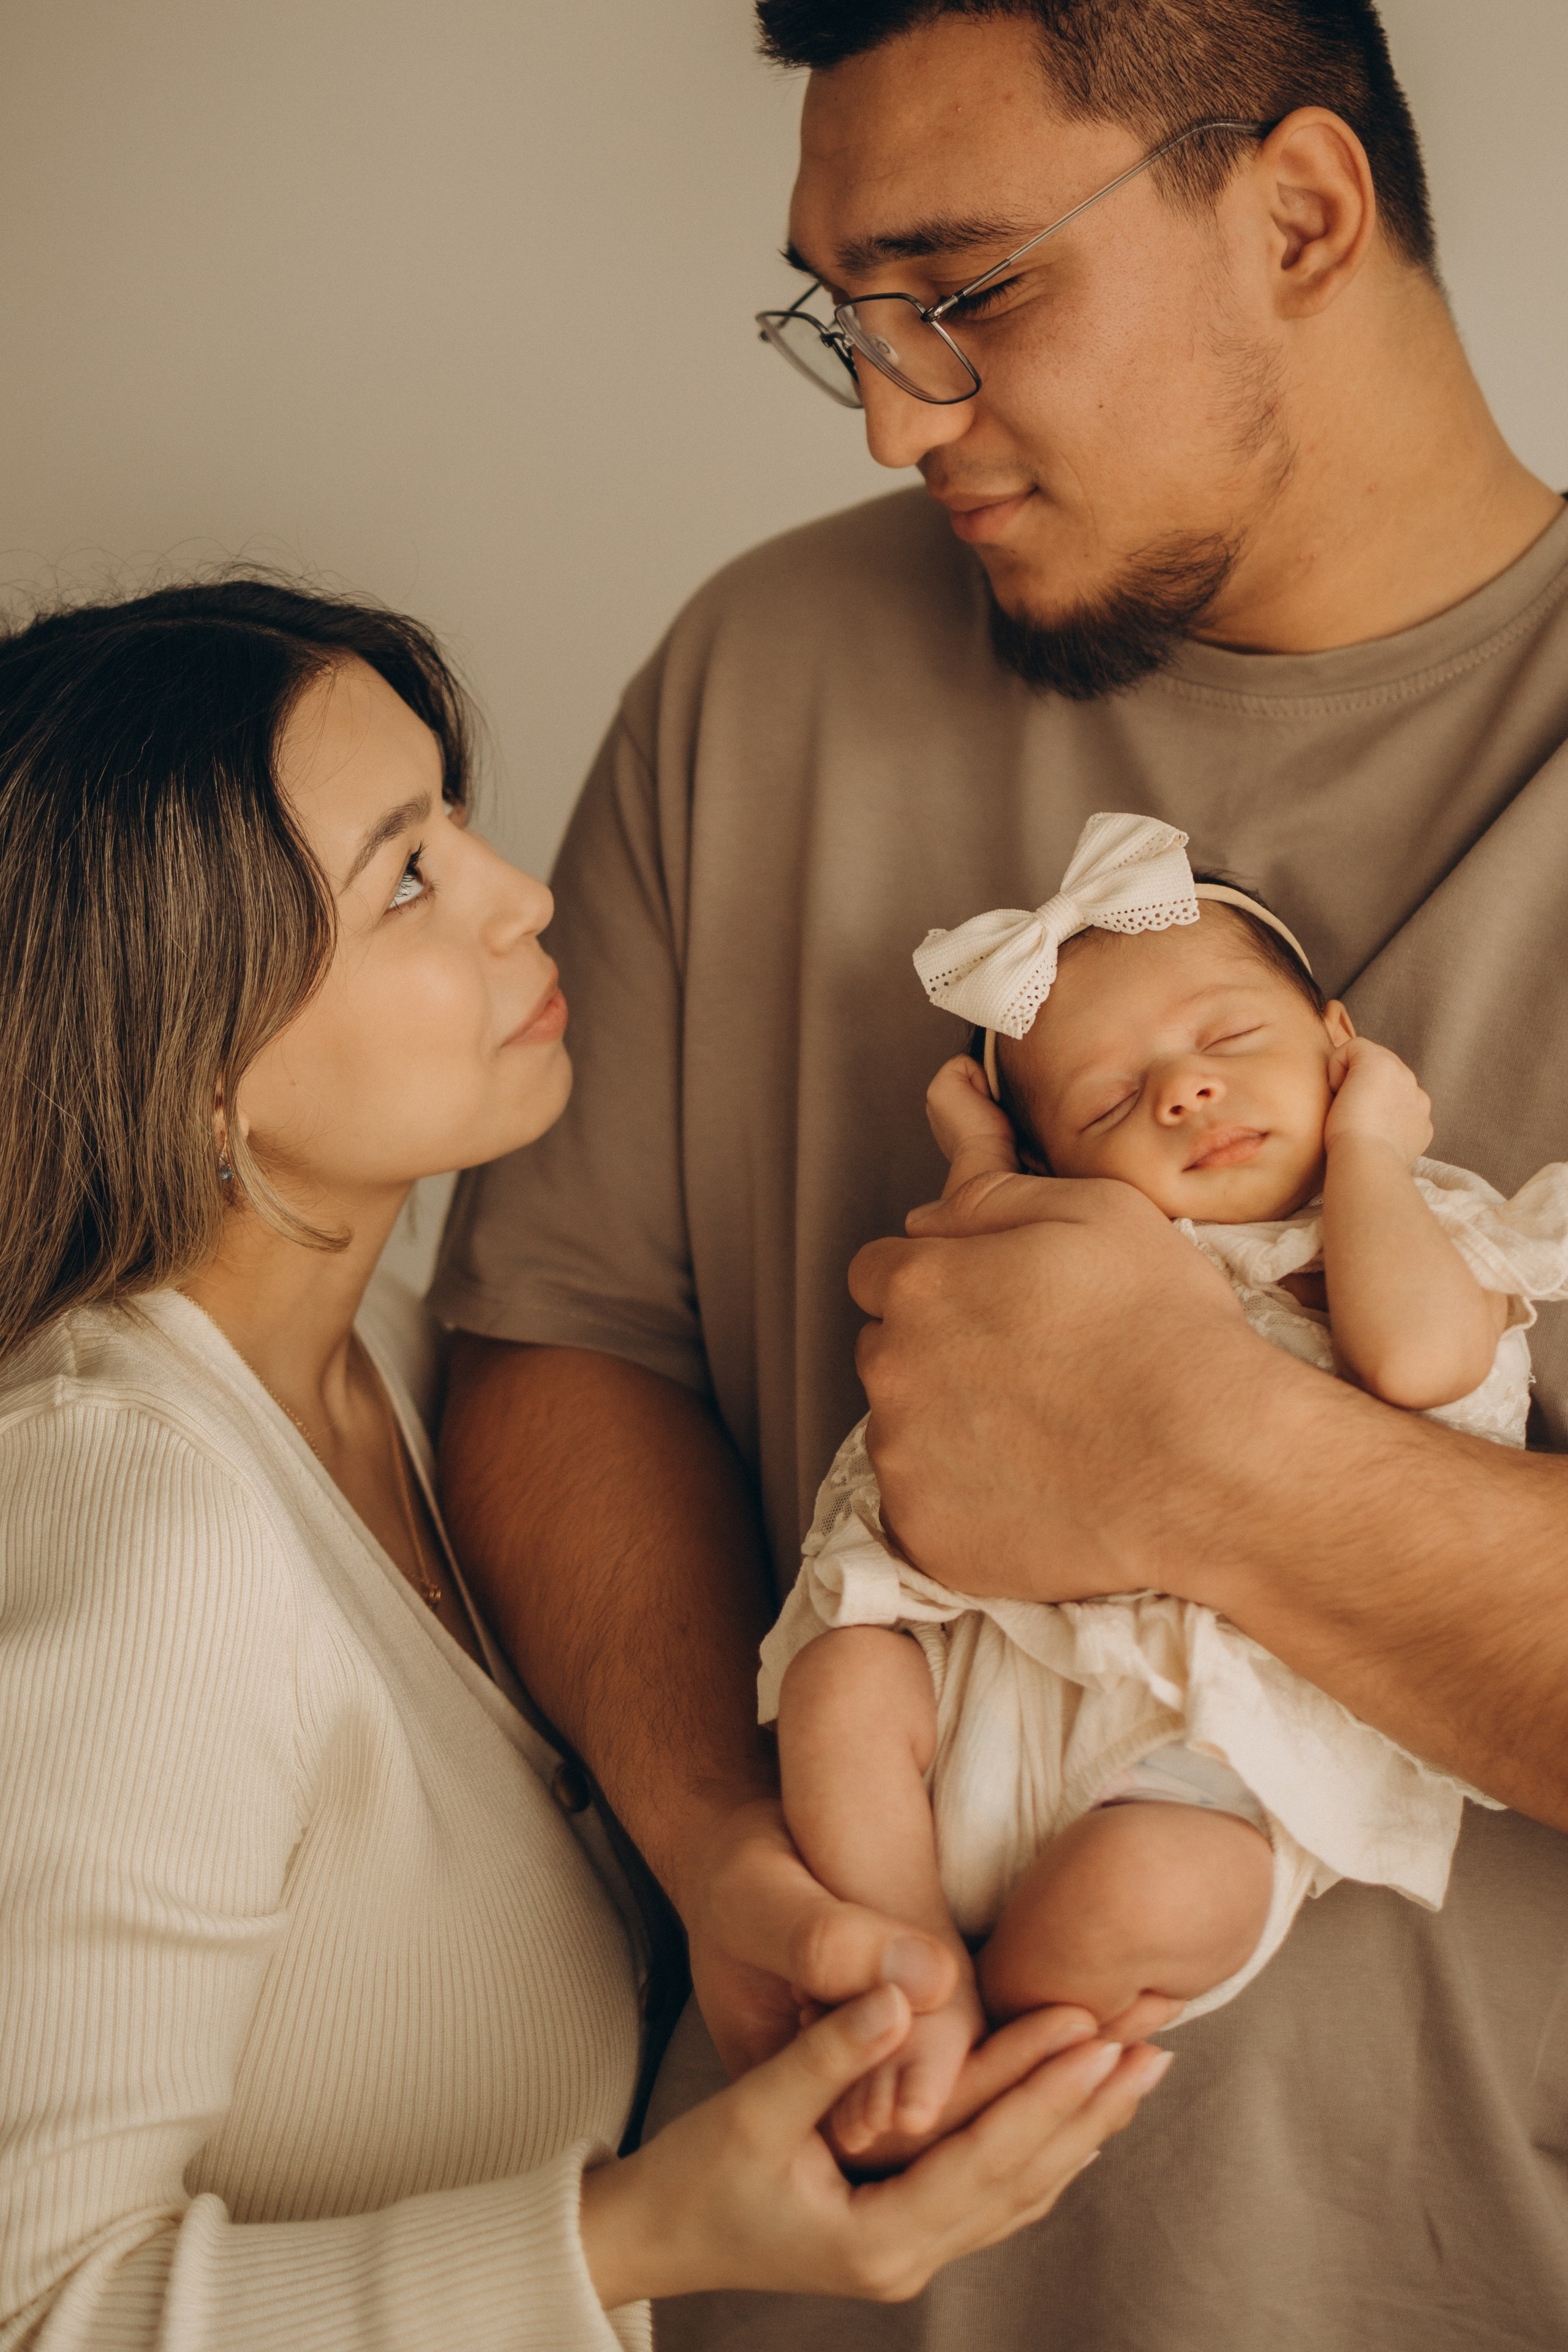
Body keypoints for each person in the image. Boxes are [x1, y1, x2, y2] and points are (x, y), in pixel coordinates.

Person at [431, 4, 1568, 2345]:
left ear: (1303, 217)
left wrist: (1199, 1454)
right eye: (841, 315)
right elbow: (564, 1337)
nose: (890, 409)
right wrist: (729, 1845)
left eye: (965, 294)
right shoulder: (761, 675)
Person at [0, 581, 1170, 2352]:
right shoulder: (131, 1506)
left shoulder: (393, 1361)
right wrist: (635, 2236)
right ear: (187, 1060)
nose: (522, 894)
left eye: (456, 825)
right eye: (405, 877)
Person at [767, 809, 1568, 2170]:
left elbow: (1414, 1358)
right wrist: (976, 1157)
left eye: (1227, 1041)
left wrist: (1369, 1148)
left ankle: (979, 2047)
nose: (1181, 1094)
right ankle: (906, 1971)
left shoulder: (1422, 1225)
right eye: (1105, 1101)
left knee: (1123, 1901)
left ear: (1339, 1042)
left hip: (1213, 1754)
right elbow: (983, 1261)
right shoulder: (1091, 1234)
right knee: (837, 1686)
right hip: (996, 1684)